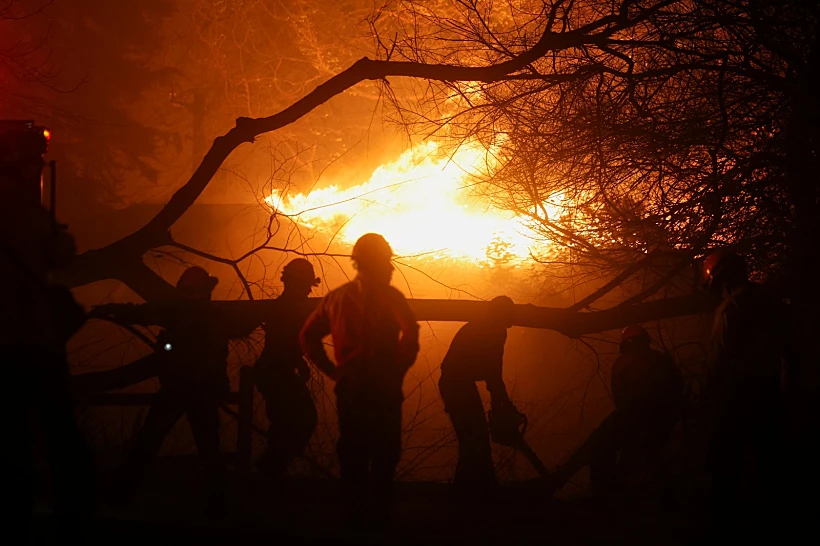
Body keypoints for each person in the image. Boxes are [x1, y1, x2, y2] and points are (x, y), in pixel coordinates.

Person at [94, 266, 258, 509]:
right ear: (207, 291)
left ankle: (120, 492)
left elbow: (140, 313)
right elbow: (243, 327)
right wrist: (263, 315)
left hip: (177, 387)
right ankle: (218, 501)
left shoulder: (176, 311)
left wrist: (110, 309)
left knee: (149, 440)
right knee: (208, 447)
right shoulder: (217, 316)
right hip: (203, 390)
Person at [0, 168, 95, 544]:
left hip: (3, 349)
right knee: (60, 432)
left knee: (10, 434)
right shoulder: (28, 213)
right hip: (40, 342)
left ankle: (13, 513)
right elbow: (62, 254)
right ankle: (73, 516)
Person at [299, 233, 420, 529]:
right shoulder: (391, 298)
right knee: (385, 453)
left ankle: (352, 520)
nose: (391, 268)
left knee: (353, 453)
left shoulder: (336, 297)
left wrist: (333, 371)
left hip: (351, 387)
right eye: (388, 261)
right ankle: (377, 520)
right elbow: (411, 334)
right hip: (383, 386)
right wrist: (398, 369)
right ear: (379, 262)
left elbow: (307, 336)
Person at [701, 249, 789, 537]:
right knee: (769, 464)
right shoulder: (771, 302)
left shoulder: (730, 310)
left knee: (724, 467)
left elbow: (719, 361)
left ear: (721, 280)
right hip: (770, 392)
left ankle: (727, 529)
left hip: (734, 399)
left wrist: (710, 400)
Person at [550, 325, 684, 494]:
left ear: (627, 343)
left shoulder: (624, 363)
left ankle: (603, 493)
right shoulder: (662, 360)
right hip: (663, 417)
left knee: (600, 446)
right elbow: (678, 390)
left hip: (634, 416)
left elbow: (620, 397)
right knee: (651, 454)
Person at [438, 296, 520, 499]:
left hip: (458, 383)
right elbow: (493, 372)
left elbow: (492, 372)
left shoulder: (485, 327)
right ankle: (469, 491)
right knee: (474, 438)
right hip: (456, 384)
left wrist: (501, 401)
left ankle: (469, 489)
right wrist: (503, 402)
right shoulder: (492, 331)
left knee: (474, 438)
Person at [252, 258, 320, 489]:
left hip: (275, 371)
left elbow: (287, 341)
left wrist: (298, 362)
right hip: (275, 372)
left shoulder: (287, 306)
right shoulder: (289, 308)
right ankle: (268, 474)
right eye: (306, 284)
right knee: (303, 420)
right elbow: (282, 342)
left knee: (286, 423)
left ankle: (268, 475)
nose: (309, 289)